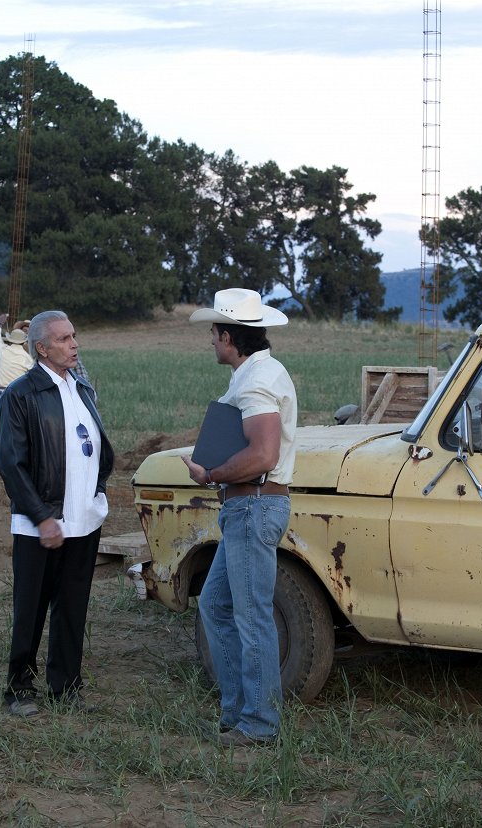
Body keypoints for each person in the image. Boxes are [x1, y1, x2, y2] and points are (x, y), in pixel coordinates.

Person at [182, 288, 297, 746]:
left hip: (252, 504)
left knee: (251, 617)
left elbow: (263, 452)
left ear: (229, 336)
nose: (211, 341)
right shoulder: (259, 372)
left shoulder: (255, 382)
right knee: (215, 604)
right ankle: (238, 711)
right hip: (248, 505)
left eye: (214, 333)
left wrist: (210, 474)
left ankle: (259, 724)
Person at [0, 310, 114, 717]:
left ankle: (65, 687)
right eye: (64, 339)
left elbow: (94, 447)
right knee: (30, 608)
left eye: (74, 336)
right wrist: (42, 516)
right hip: (40, 524)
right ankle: (18, 689)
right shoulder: (21, 395)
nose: (74, 344)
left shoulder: (82, 387)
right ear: (41, 348)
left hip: (83, 521)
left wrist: (97, 496)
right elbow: (12, 465)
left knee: (72, 606)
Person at [0, 313, 34, 442]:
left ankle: (3, 454)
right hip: (17, 396)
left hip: (0, 393)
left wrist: (0, 324)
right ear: (24, 341)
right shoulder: (28, 359)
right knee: (16, 428)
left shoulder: (3, 350)